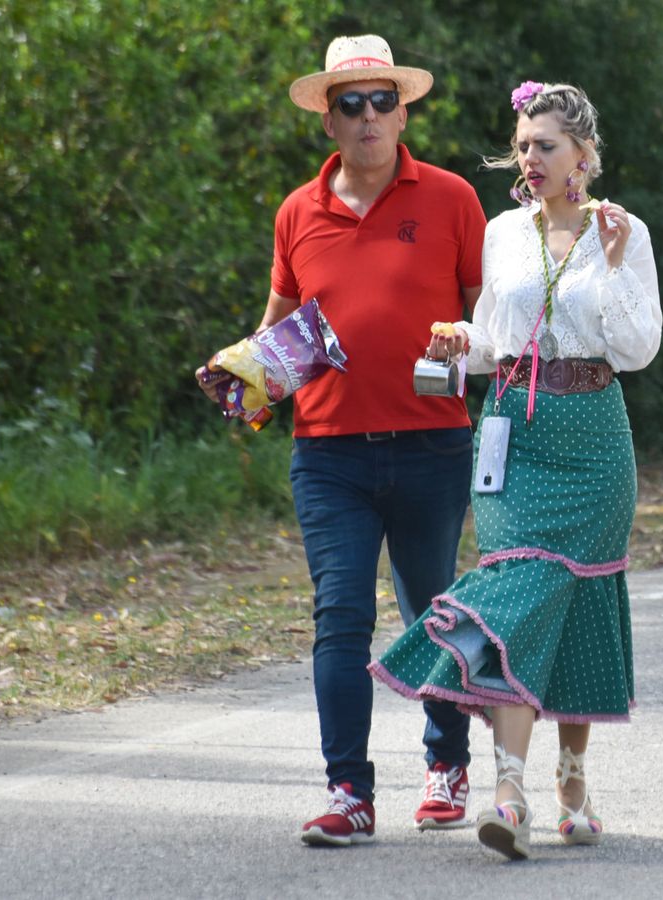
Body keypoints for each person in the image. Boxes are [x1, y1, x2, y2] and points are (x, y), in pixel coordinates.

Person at [368, 81, 661, 862]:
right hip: (512, 435)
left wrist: (622, 264)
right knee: (515, 586)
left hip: (595, 439)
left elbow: (638, 350)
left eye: (546, 147)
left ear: (584, 156)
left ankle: (571, 777)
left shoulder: (621, 232)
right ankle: (508, 787)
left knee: (582, 603)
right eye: (524, 146)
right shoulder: (502, 232)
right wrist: (456, 342)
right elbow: (498, 339)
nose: (530, 159)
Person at [265, 34, 487, 847]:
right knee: (342, 614)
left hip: (432, 442)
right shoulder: (298, 210)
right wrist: (246, 375)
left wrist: (463, 342)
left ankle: (448, 760)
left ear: (404, 110)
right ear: (327, 119)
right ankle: (348, 792)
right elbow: (281, 326)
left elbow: (486, 315)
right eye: (349, 102)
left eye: (381, 100)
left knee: (434, 607)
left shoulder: (454, 198)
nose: (367, 116)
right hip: (328, 451)